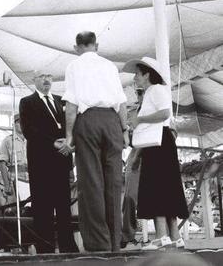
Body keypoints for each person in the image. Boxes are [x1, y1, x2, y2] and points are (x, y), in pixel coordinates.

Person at [61, 31, 129, 252]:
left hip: (88, 121)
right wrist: (125, 130)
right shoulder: (109, 66)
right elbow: (121, 102)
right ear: (96, 45)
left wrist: (70, 135)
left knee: (91, 183)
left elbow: (71, 104)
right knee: (114, 183)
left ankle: (99, 244)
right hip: (112, 121)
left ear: (76, 47)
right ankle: (115, 243)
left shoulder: (74, 66)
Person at [123, 57, 188, 250]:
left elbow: (165, 113)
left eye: (137, 74)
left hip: (159, 142)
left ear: (147, 74)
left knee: (156, 185)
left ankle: (161, 236)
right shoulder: (154, 90)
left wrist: (139, 119)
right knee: (167, 186)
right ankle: (174, 236)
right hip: (161, 142)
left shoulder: (156, 89)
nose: (135, 77)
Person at [19, 70, 78, 253]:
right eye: (42, 77)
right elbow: (28, 130)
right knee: (43, 208)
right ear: (34, 80)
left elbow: (72, 124)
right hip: (41, 163)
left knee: (63, 207)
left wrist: (69, 144)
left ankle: (68, 247)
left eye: (49, 76)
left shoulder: (61, 100)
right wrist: (52, 142)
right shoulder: (27, 102)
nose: (46, 80)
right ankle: (45, 248)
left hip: (62, 160)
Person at [121, 89, 144, 248]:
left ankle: (165, 236)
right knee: (129, 198)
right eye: (138, 93)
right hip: (135, 160)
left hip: (154, 158)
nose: (139, 95)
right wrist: (129, 133)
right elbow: (128, 141)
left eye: (141, 92)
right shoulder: (133, 112)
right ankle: (128, 236)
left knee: (159, 199)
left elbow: (172, 133)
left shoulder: (161, 108)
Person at [0, 114, 28, 200]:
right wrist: (7, 185)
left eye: (24, 122)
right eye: (19, 122)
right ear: (13, 124)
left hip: (30, 180)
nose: (22, 124)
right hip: (15, 180)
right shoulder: (7, 141)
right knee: (14, 209)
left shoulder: (32, 140)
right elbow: (2, 164)